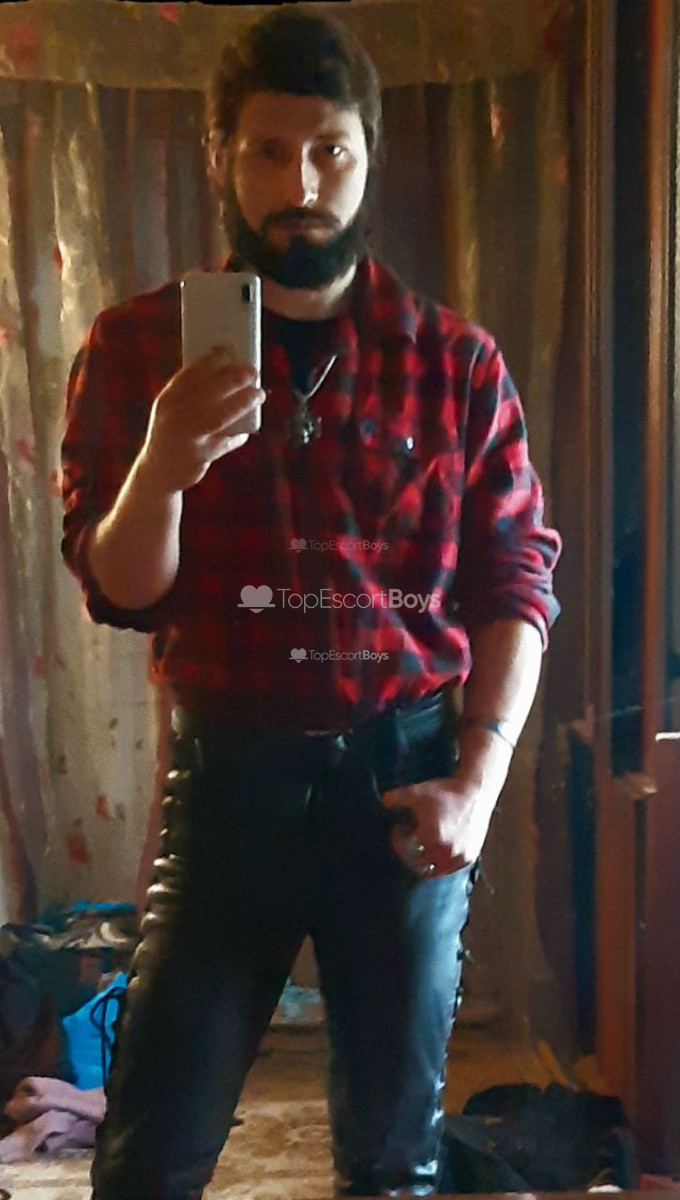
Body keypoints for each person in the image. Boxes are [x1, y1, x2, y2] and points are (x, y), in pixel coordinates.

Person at [60, 7, 562, 1198]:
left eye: (329, 150)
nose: (299, 185)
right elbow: (119, 591)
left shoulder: (454, 362)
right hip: (226, 787)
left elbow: (514, 581)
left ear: (367, 155)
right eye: (268, 151)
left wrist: (479, 783)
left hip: (402, 782)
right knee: (146, 1156)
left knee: (392, 1162)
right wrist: (160, 466)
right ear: (221, 158)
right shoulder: (134, 348)